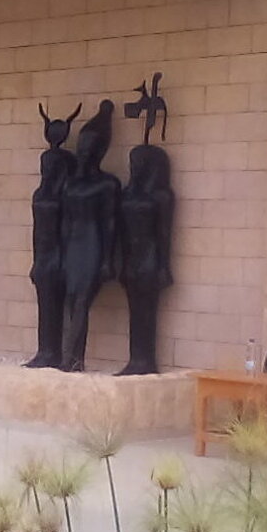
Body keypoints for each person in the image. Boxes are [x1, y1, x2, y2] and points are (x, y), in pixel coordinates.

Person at [59, 100, 120, 372]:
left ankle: (69, 358)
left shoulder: (107, 184)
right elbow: (65, 221)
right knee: (71, 300)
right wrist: (61, 253)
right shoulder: (71, 183)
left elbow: (110, 223)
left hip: (93, 243)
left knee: (83, 299)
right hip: (73, 244)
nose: (83, 153)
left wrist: (108, 259)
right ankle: (75, 359)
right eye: (81, 148)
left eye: (88, 149)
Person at [24, 103, 80, 369]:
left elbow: (69, 228)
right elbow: (37, 230)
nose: (45, 171)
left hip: (59, 256)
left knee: (57, 306)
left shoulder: (66, 195)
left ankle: (56, 353)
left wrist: (64, 259)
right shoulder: (40, 194)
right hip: (44, 256)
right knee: (44, 305)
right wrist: (36, 261)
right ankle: (45, 350)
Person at [117, 141, 174, 375]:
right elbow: (120, 232)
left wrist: (163, 267)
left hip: (150, 258)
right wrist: (119, 262)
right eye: (132, 163)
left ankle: (145, 360)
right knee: (134, 311)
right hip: (131, 259)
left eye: (138, 163)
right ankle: (135, 359)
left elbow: (164, 234)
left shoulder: (161, 196)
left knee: (147, 311)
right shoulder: (127, 194)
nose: (134, 168)